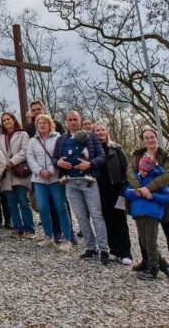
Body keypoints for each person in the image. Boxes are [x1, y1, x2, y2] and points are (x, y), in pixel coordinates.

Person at [128, 126, 169, 280]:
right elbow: (130, 172)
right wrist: (139, 187)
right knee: (144, 234)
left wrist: (148, 188)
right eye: (146, 137)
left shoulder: (166, 157)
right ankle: (148, 262)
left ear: (157, 138)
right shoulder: (137, 155)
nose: (150, 140)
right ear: (143, 140)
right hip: (144, 199)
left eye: (152, 137)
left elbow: (167, 176)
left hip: (163, 196)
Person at [53, 110, 110, 265]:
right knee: (80, 216)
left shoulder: (91, 137)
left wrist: (89, 164)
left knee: (96, 215)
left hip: (88, 181)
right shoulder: (61, 139)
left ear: (80, 120)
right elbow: (54, 159)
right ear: (66, 121)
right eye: (70, 120)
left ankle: (104, 249)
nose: (73, 122)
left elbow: (101, 156)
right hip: (70, 182)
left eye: (75, 119)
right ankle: (90, 247)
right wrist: (58, 163)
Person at [27, 114, 74, 251]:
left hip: (55, 179)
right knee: (42, 207)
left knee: (61, 207)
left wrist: (52, 170)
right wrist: (40, 171)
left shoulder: (58, 138)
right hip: (39, 180)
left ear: (50, 125)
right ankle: (48, 236)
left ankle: (67, 238)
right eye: (39, 123)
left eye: (44, 123)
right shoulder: (32, 141)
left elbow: (61, 155)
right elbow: (30, 157)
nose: (42, 125)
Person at [125, 154, 169, 281]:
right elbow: (127, 193)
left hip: (152, 214)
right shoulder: (136, 178)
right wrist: (135, 193)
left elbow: (167, 197)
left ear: (151, 169)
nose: (143, 172)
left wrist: (152, 196)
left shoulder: (158, 180)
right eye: (141, 169)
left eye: (146, 170)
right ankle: (163, 264)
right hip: (138, 214)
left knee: (151, 242)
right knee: (144, 243)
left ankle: (153, 269)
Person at [93, 122, 132, 265]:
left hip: (116, 189)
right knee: (107, 221)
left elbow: (126, 170)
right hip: (100, 190)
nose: (100, 132)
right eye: (97, 130)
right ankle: (114, 251)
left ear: (107, 131)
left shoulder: (116, 149)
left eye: (102, 130)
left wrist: (124, 189)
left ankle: (126, 253)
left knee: (120, 221)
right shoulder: (92, 151)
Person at [0, 112, 34, 237]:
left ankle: (29, 229)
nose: (6, 122)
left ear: (13, 120)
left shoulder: (23, 134)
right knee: (11, 203)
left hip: (19, 172)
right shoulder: (0, 138)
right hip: (6, 174)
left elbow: (25, 150)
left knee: (23, 201)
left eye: (8, 119)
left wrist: (12, 161)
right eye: (4, 120)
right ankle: (17, 227)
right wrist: (2, 165)